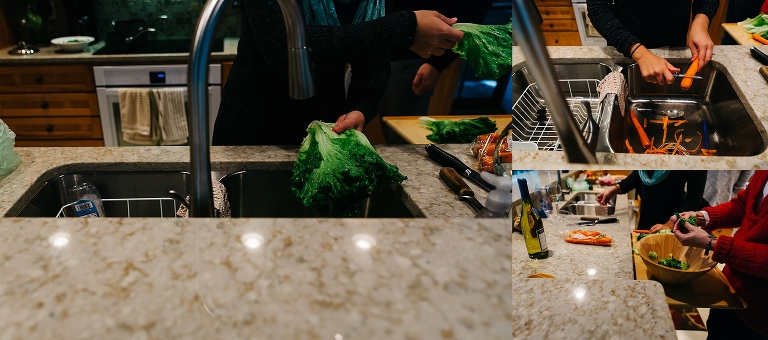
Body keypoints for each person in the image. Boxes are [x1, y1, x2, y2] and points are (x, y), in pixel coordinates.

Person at [212, 0, 464, 146]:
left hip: (326, 130)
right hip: (253, 132)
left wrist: (361, 106)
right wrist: (404, 28)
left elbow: (373, 58)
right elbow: (285, 49)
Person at [376, 0, 493, 143]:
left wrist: (436, 64)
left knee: (400, 138)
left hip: (408, 60)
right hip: (373, 49)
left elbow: (473, 14)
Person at [670, 170, 768, 339]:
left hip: (759, 311)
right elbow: (743, 205)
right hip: (730, 289)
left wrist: (713, 243)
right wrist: (703, 217)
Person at [587, 0, 719, 85]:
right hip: (624, 48)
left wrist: (700, 23)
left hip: (675, 46)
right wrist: (639, 53)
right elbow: (598, 9)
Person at [596, 170, 707, 230]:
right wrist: (615, 190)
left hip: (674, 223)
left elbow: (694, 199)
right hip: (646, 219)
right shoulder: (650, 142)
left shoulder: (692, 151)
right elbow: (639, 174)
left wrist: (670, 225)